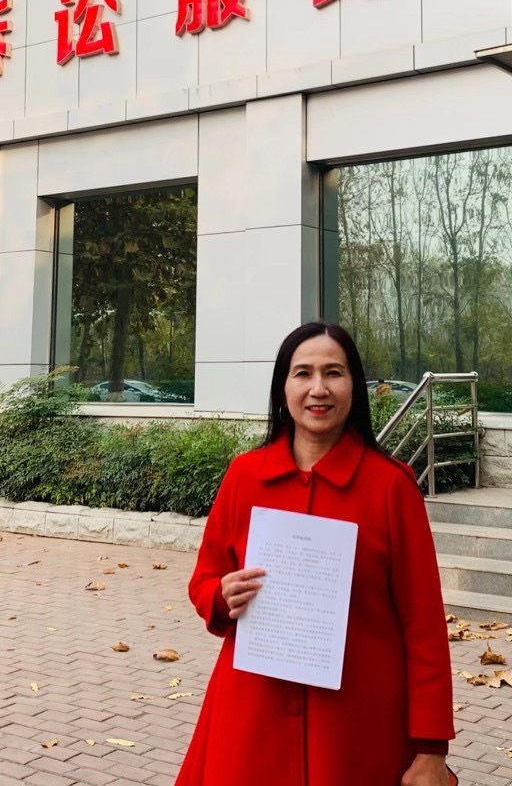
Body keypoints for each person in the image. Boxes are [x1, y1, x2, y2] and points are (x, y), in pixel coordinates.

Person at [175, 322, 455, 786]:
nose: (318, 389)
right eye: (303, 373)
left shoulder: (391, 487)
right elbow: (204, 579)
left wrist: (431, 748)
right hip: (250, 719)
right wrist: (222, 596)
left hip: (355, 729)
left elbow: (423, 626)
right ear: (283, 388)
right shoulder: (245, 476)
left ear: (354, 387)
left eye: (334, 373)